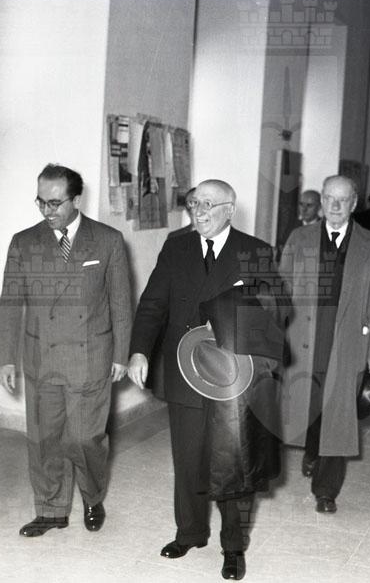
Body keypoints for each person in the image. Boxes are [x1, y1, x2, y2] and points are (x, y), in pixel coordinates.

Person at [127, 179, 282, 581]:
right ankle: (190, 532)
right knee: (188, 458)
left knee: (233, 462)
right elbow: (152, 303)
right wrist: (139, 350)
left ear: (230, 209)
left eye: (209, 205)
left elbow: (278, 309)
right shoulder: (176, 247)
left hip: (232, 376)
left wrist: (232, 311)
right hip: (185, 371)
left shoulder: (256, 251)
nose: (199, 212)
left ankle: (233, 547)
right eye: (195, 203)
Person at [0, 164, 131, 537]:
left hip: (91, 356)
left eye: (55, 203)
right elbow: (11, 304)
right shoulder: (24, 242)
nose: (47, 210)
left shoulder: (107, 240)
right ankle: (51, 509)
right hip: (43, 355)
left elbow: (121, 303)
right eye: (41, 201)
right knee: (45, 439)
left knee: (85, 438)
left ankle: (92, 495)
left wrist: (121, 355)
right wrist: (5, 358)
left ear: (76, 199)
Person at [278, 175, 370, 514]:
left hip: (348, 342)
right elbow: (281, 291)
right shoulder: (299, 238)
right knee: (311, 405)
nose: (335, 206)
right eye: (329, 198)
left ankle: (326, 490)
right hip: (304, 339)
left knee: (339, 416)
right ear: (322, 201)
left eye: (343, 200)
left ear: (354, 203)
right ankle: (313, 450)